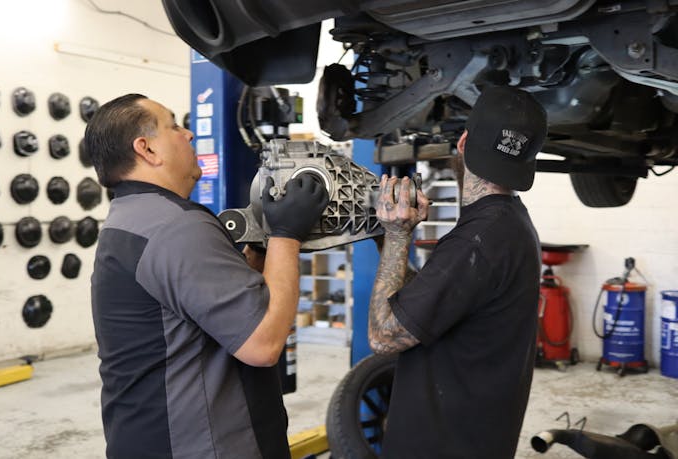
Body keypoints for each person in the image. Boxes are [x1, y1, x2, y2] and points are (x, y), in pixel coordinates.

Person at [86, 93, 328, 459]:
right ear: (147, 149)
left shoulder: (131, 219)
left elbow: (214, 307)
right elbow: (263, 342)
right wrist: (287, 234)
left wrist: (262, 249)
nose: (188, 134)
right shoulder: (176, 226)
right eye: (173, 126)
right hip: (201, 446)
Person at [368, 86, 547, 458]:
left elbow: (384, 336)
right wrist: (386, 239)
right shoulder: (511, 224)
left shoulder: (476, 241)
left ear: (463, 142)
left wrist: (398, 236)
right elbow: (423, 308)